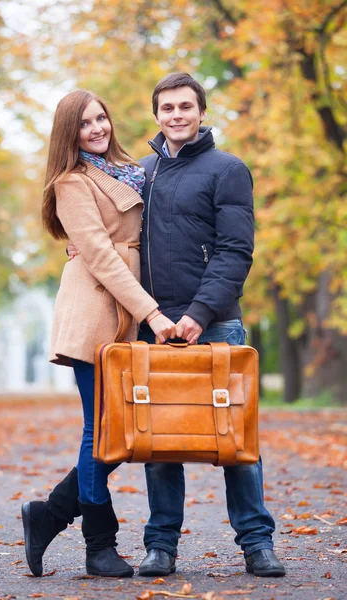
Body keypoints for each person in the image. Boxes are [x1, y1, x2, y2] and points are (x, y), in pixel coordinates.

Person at [66, 73, 286, 579]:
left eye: (186, 106)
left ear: (202, 112)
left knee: (236, 441)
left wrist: (199, 314)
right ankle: (161, 545)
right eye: (167, 108)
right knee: (158, 444)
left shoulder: (229, 170)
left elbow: (236, 251)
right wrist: (74, 242)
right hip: (155, 326)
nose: (177, 115)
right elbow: (106, 228)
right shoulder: (140, 172)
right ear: (156, 114)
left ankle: (257, 543)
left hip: (215, 324)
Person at [21, 89, 176, 579]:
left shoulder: (128, 168)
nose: (98, 128)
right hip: (95, 309)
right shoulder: (72, 181)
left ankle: (49, 515)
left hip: (125, 312)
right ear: (71, 133)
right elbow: (102, 255)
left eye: (102, 117)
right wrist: (152, 313)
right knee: (102, 431)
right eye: (85, 123)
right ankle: (98, 545)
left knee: (123, 431)